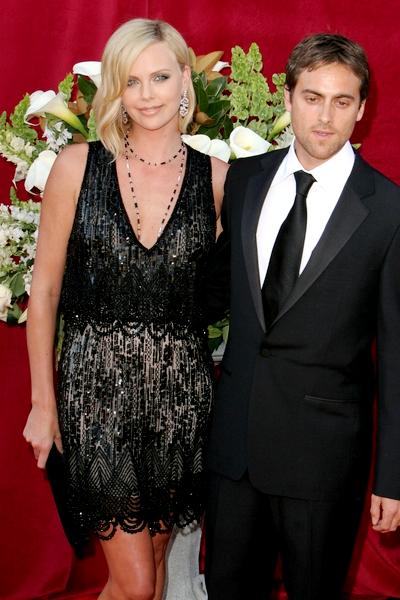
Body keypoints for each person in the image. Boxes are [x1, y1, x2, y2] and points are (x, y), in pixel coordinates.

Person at [22, 18, 228, 600]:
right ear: (114, 89)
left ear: (185, 79)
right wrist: (44, 404)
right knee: (135, 585)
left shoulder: (218, 181)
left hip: (181, 398)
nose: (147, 95)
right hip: (94, 394)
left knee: (158, 567)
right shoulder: (76, 167)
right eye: (131, 81)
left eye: (160, 77)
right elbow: (45, 293)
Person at [205, 33, 400, 600]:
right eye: (312, 97)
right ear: (288, 98)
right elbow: (211, 293)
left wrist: (392, 477)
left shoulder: (388, 211)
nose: (325, 115)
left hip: (324, 459)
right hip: (234, 449)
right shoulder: (243, 181)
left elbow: (396, 357)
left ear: (362, 111)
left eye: (343, 101)